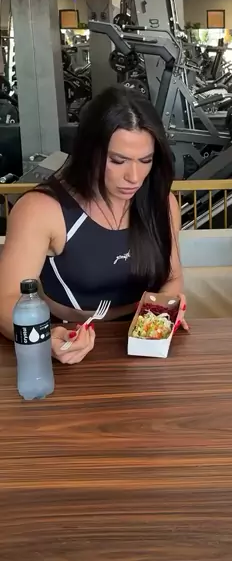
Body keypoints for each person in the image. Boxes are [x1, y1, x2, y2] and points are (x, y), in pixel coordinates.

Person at [0, 86, 187, 363]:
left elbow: (172, 278)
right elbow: (6, 299)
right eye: (118, 161)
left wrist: (160, 316)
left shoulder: (162, 203)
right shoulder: (40, 209)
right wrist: (43, 338)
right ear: (89, 153)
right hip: (66, 337)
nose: (134, 177)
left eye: (145, 160)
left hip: (143, 343)